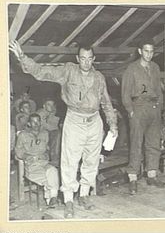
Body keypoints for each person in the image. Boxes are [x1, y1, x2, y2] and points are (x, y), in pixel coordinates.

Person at [9, 40, 118, 219]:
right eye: (82, 59)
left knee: (91, 160)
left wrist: (113, 124)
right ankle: (68, 200)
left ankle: (83, 195)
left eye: (89, 59)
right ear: (77, 58)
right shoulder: (68, 70)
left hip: (94, 121)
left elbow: (106, 102)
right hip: (74, 120)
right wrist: (22, 56)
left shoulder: (99, 77)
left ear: (93, 59)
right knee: (70, 161)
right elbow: (41, 72)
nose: (86, 63)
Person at [121, 39, 165, 195]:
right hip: (138, 108)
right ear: (140, 51)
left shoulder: (155, 67)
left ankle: (152, 175)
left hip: (153, 108)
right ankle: (133, 178)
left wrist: (160, 107)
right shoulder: (131, 69)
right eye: (146, 51)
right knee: (136, 143)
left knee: (153, 143)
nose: (149, 54)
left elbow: (159, 91)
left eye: (152, 51)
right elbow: (125, 93)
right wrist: (130, 111)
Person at [15, 113, 59, 207]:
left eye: (38, 121)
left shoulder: (45, 134)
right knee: (51, 179)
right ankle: (51, 199)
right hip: (32, 166)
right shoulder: (23, 135)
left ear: (40, 122)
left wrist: (46, 155)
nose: (36, 124)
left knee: (53, 170)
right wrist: (26, 156)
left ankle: (52, 199)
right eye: (33, 122)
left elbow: (48, 150)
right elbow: (18, 152)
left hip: (44, 163)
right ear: (29, 124)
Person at [37, 98, 61, 167]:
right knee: (57, 133)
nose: (51, 106)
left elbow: (55, 125)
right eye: (48, 104)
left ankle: (56, 158)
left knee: (58, 134)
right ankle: (55, 158)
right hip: (39, 135)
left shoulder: (51, 113)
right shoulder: (41, 113)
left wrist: (53, 114)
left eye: (52, 105)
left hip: (46, 134)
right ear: (44, 106)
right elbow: (48, 127)